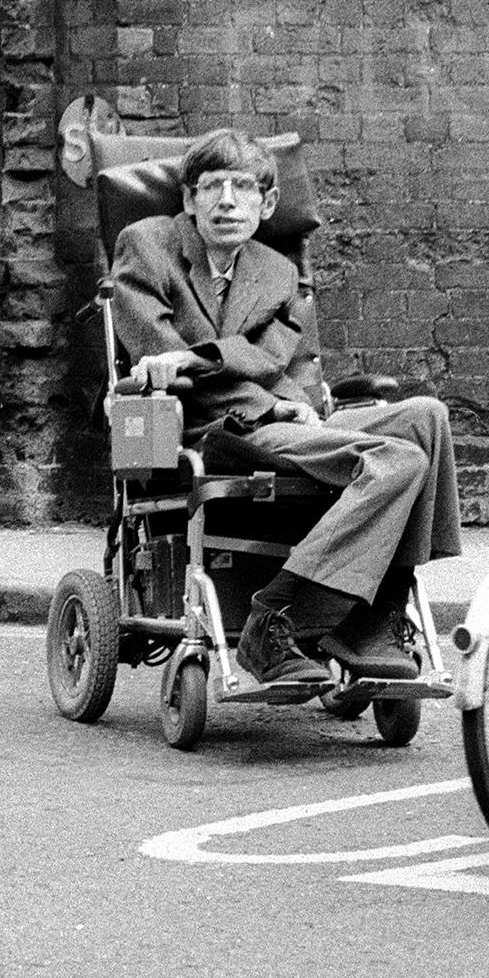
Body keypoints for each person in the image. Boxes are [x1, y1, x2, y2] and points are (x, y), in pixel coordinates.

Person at [111, 129, 463, 687]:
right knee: (398, 462)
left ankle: (376, 615)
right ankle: (276, 615)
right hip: (216, 427)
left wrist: (290, 403)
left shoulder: (277, 270)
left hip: (285, 414)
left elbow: (281, 359)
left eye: (243, 187)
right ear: (188, 199)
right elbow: (158, 353)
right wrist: (257, 394)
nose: (227, 200)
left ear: (267, 203)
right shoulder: (147, 244)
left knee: (426, 418)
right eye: (212, 187)